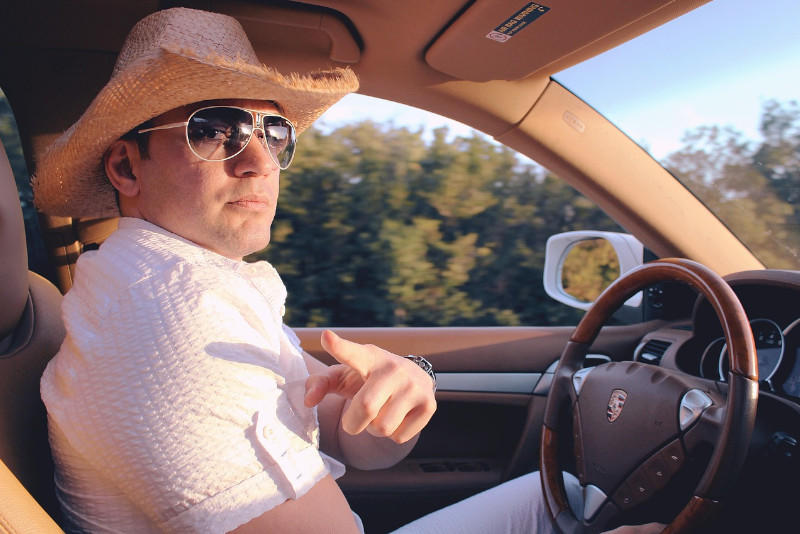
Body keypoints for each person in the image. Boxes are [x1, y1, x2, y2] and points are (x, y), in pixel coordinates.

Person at [34, 7, 659, 534]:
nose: (259, 161)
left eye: (272, 133)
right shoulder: (173, 319)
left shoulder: (183, 287)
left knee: (569, 497)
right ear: (126, 168)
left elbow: (344, 435)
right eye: (214, 130)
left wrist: (398, 397)